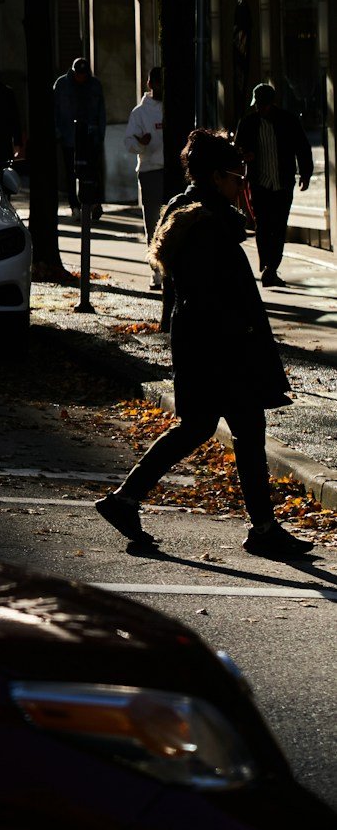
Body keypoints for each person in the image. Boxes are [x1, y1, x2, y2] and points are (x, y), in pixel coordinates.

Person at [95, 128, 310, 561]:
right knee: (245, 431)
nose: (242, 184)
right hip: (221, 347)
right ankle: (263, 529)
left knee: (199, 426)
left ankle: (125, 499)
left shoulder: (189, 212)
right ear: (216, 177)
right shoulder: (206, 224)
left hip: (201, 342)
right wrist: (244, 338)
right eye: (236, 176)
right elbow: (214, 293)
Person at [236, 81, 314, 287]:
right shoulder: (248, 123)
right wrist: (245, 156)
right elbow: (237, 150)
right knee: (263, 225)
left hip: (282, 183)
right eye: (257, 105)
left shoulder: (288, 121)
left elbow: (302, 148)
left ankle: (271, 268)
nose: (259, 109)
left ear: (272, 104)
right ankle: (267, 267)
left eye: (263, 105)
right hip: (260, 183)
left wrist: (305, 174)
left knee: (279, 226)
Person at [52, 55, 106, 219]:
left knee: (92, 171)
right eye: (79, 74)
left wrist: (100, 135)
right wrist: (58, 132)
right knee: (71, 172)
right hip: (69, 137)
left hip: (90, 137)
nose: (81, 77)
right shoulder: (62, 84)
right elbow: (54, 109)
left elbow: (101, 111)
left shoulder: (95, 85)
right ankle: (75, 205)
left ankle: (93, 203)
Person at [124, 65, 165, 242]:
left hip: (172, 170)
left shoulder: (175, 107)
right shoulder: (140, 113)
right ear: (150, 84)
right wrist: (141, 144)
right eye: (158, 84)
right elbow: (129, 142)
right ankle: (155, 262)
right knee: (154, 221)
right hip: (151, 171)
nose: (161, 88)